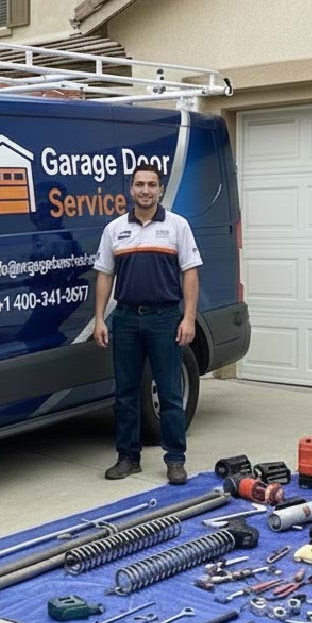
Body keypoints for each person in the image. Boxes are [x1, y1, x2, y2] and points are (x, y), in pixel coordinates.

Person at [92, 163, 202, 485]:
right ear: (131, 189)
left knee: (169, 393)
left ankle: (175, 459)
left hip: (164, 318)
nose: (145, 190)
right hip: (125, 319)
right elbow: (105, 275)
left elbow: (190, 272)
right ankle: (128, 457)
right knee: (125, 393)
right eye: (139, 184)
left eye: (151, 185)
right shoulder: (114, 229)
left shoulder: (177, 226)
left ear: (160, 189)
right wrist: (99, 319)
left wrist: (189, 318)